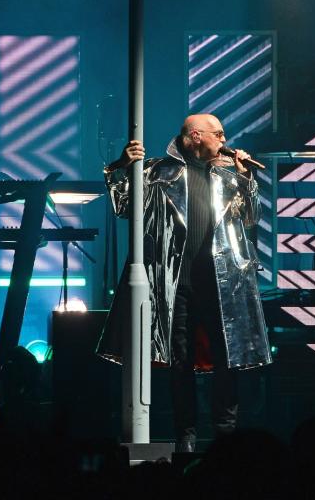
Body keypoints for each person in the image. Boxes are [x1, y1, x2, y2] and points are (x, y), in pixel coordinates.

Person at [97, 114, 271, 452]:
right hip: (175, 283)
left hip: (223, 284)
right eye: (218, 134)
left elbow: (251, 218)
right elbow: (122, 206)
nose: (224, 140)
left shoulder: (229, 175)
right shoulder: (157, 171)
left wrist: (246, 177)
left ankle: (226, 434)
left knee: (228, 359)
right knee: (181, 362)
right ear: (195, 136)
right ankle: (185, 436)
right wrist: (121, 165)